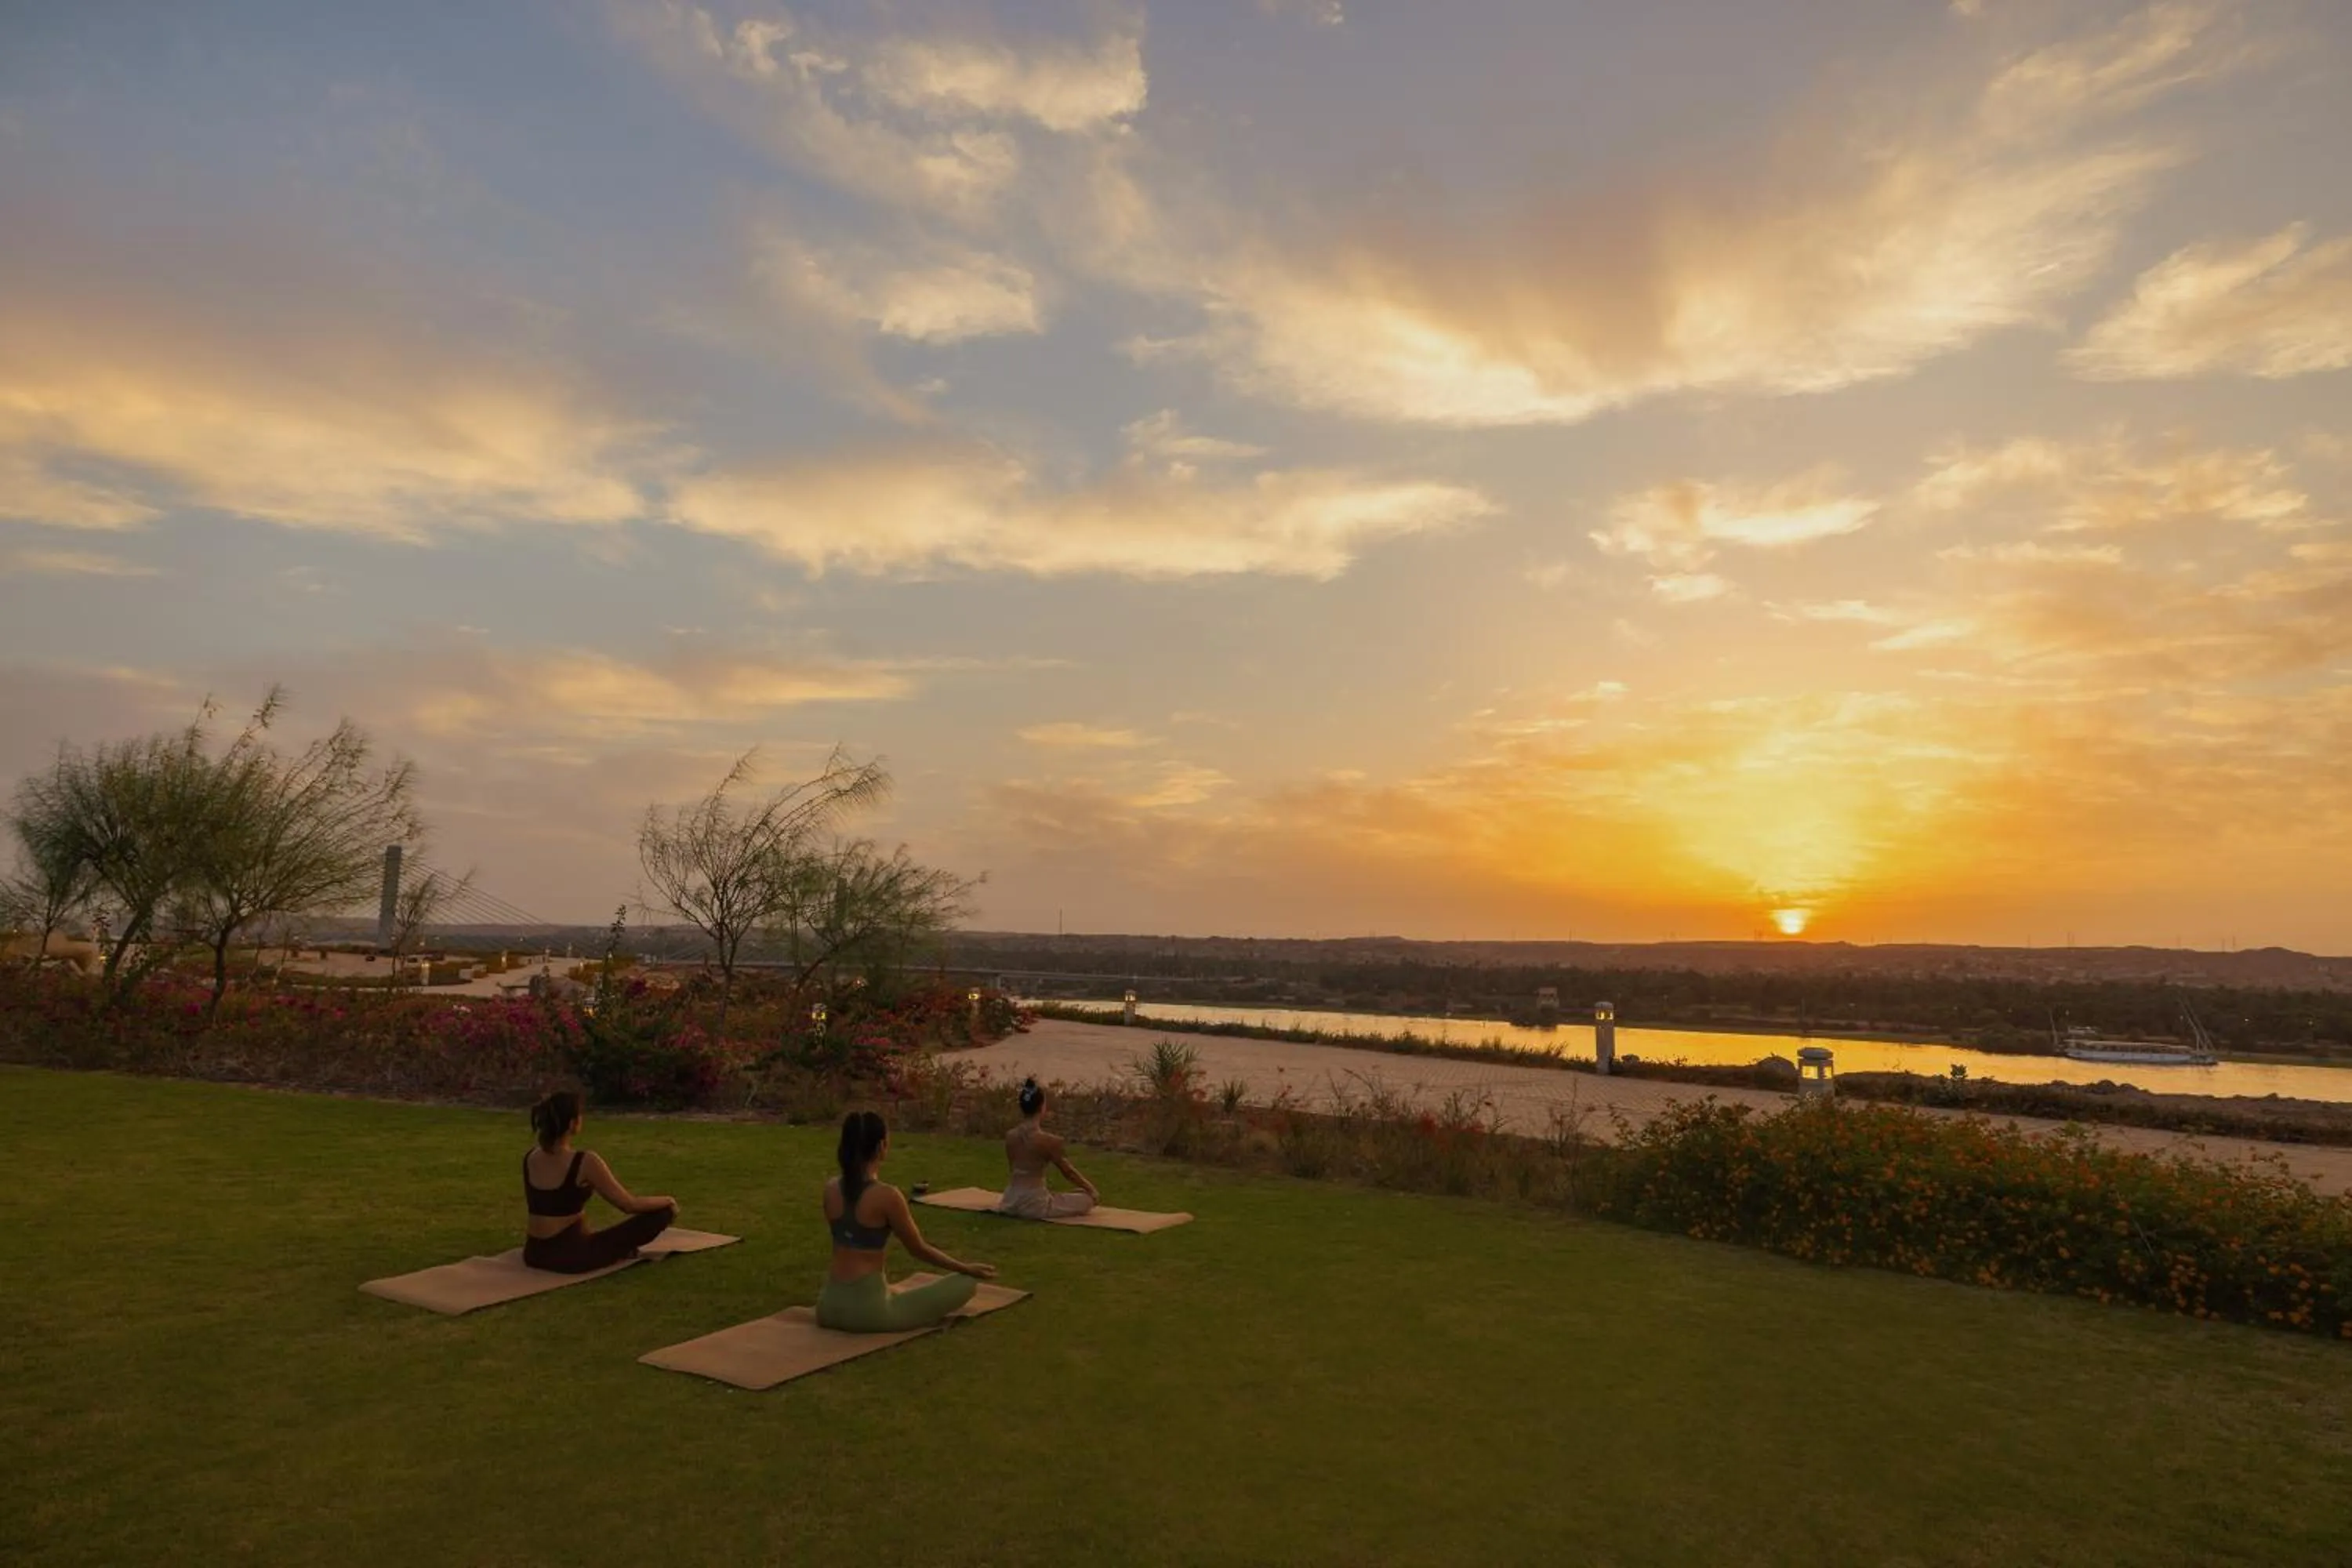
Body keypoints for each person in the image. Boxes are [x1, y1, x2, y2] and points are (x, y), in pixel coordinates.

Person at [818, 1109, 996, 1332]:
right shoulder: (887, 1196)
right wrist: (965, 1268)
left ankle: (885, 1294)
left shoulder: (831, 1188)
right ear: (881, 1147)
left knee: (897, 1294)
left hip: (828, 1306)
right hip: (868, 1313)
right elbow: (918, 1249)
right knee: (966, 1284)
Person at [521, 1090, 679, 1273]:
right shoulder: (585, 1161)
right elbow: (628, 1204)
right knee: (662, 1213)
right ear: (573, 1123)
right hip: (570, 1257)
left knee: (599, 1238)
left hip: (534, 1254)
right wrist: (668, 1201)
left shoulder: (531, 1157)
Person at [998, 1077, 1099, 1219]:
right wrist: (1091, 1190)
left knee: (1072, 1195)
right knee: (1086, 1199)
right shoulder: (1050, 1141)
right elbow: (1068, 1172)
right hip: (1034, 1205)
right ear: (1042, 1107)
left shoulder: (1010, 1136)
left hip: (1009, 1201)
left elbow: (1014, 1169)